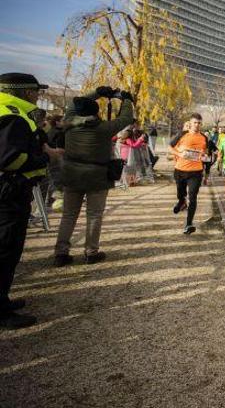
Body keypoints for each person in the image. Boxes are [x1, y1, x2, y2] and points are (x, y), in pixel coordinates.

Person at [54, 87, 134, 266]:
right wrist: (126, 100)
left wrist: (97, 92)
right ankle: (91, 252)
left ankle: (60, 252)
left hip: (71, 174)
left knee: (68, 215)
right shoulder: (104, 128)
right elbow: (126, 118)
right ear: (96, 112)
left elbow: (76, 103)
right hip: (96, 176)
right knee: (94, 215)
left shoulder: (68, 122)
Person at [0, 73, 51, 329]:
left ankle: (3, 300)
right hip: (8, 192)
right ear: (22, 91)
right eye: (34, 91)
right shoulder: (12, 115)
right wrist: (42, 160)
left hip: (7, 190)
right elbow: (10, 159)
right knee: (6, 249)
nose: (37, 95)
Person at [170, 113, 214, 234]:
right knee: (181, 193)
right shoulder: (182, 134)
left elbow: (206, 155)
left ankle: (189, 224)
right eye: (195, 122)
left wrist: (205, 158)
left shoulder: (204, 138)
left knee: (193, 197)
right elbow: (170, 147)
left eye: (199, 123)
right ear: (190, 123)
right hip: (180, 170)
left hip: (196, 172)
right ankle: (181, 201)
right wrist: (179, 154)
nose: (197, 125)